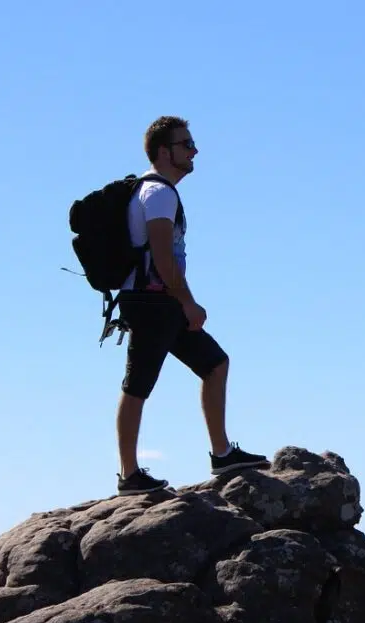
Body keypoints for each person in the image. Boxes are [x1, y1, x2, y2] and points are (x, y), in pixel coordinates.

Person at [114, 115, 267, 495]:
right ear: (164, 152)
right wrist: (188, 303)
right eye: (186, 144)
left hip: (158, 300)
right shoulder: (159, 194)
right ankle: (129, 475)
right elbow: (163, 258)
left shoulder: (156, 192)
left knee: (214, 363)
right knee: (137, 385)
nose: (194, 150)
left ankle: (222, 453)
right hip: (153, 302)